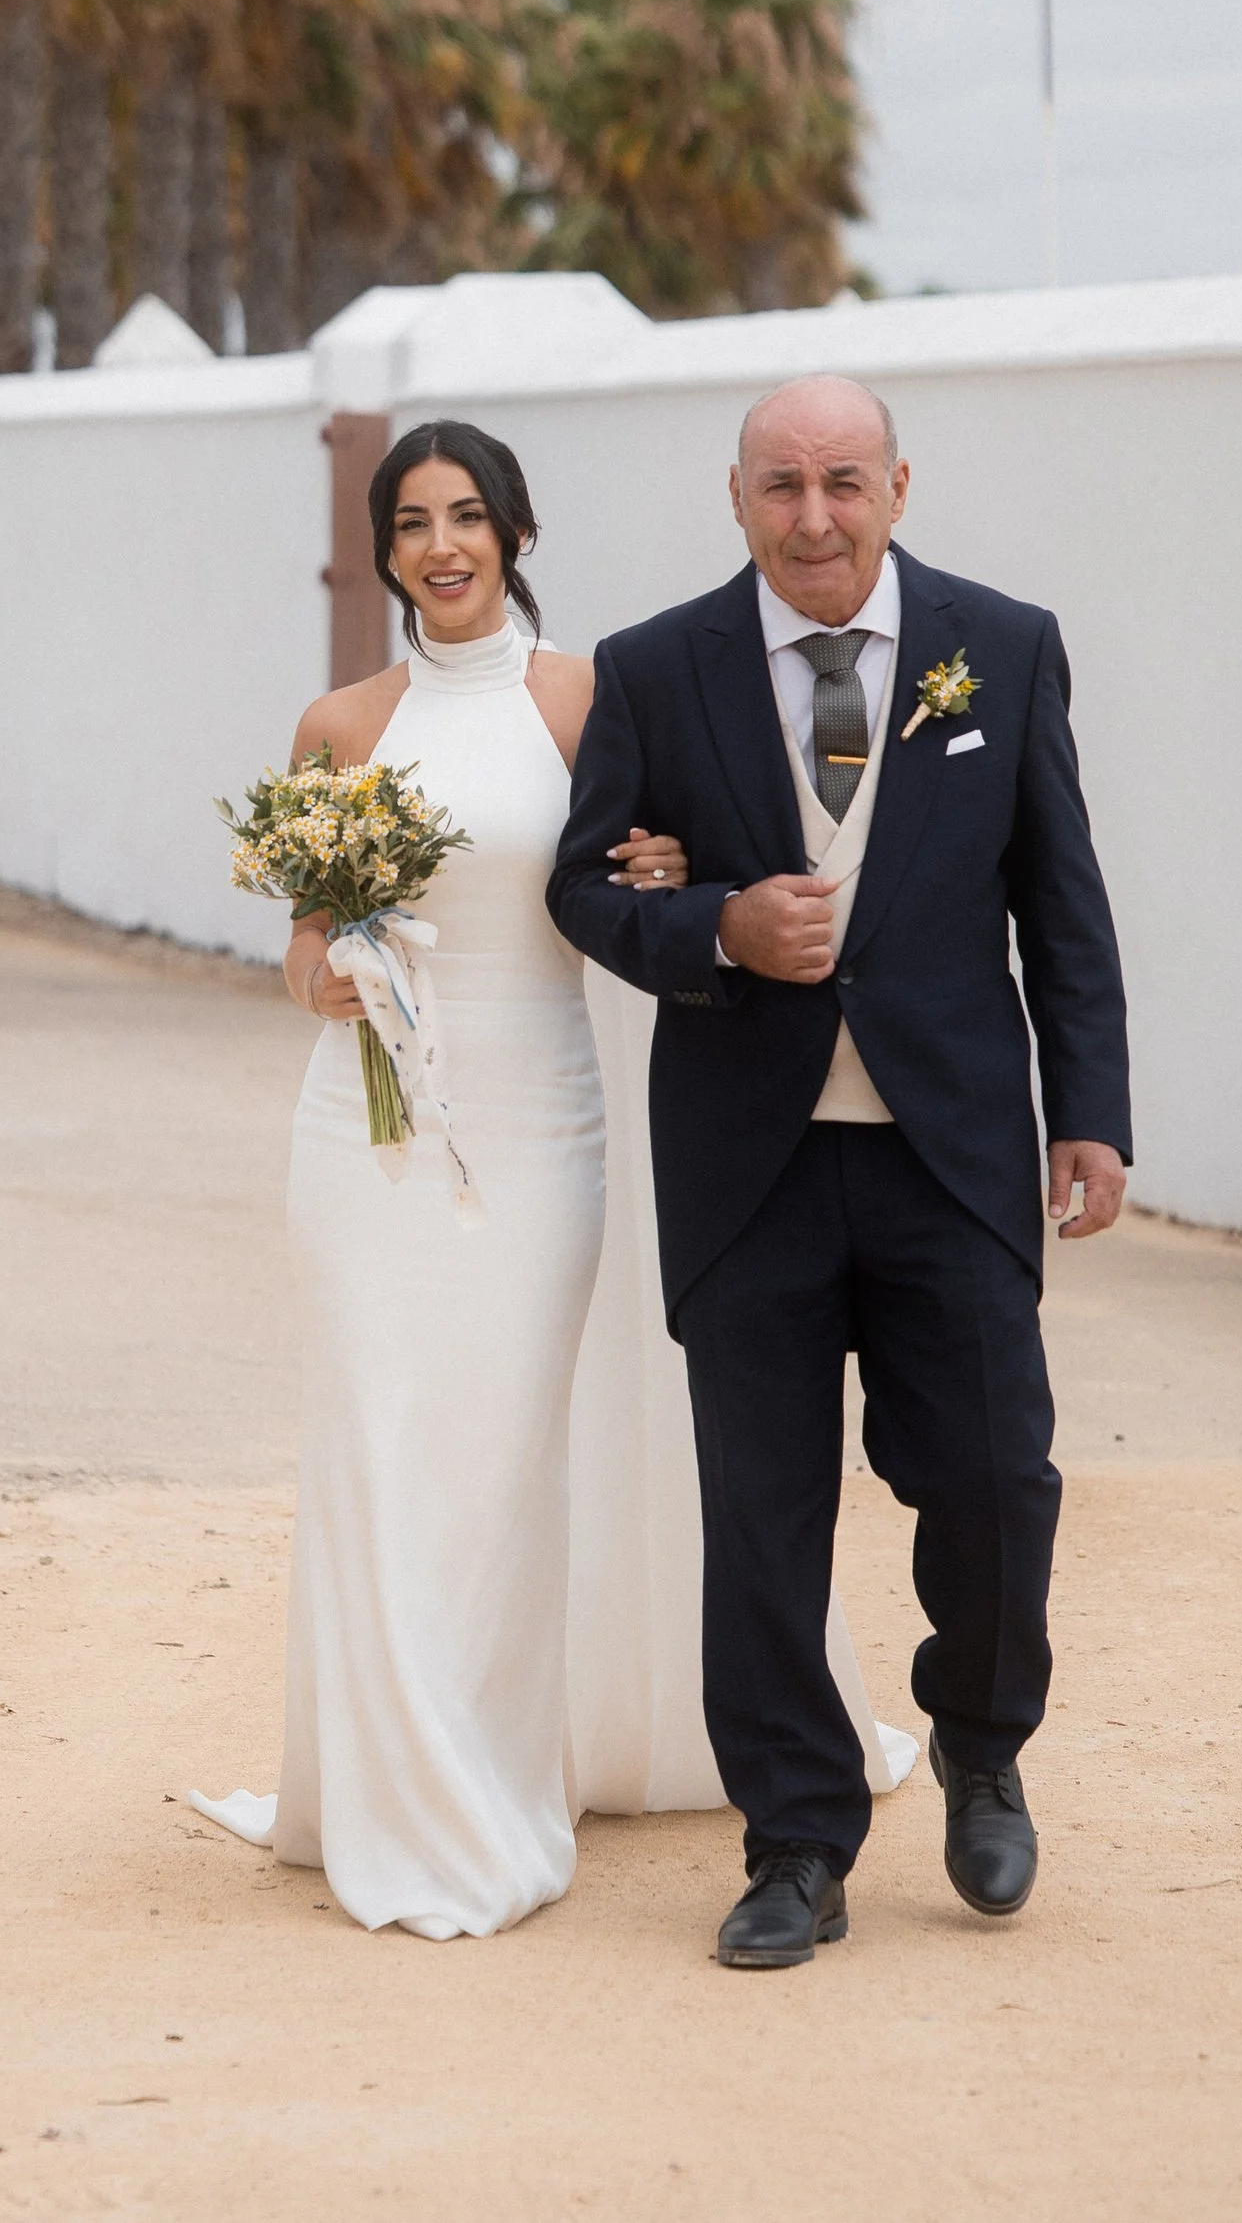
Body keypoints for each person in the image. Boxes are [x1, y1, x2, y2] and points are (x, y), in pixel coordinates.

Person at [195, 417, 914, 1939]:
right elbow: (304, 947)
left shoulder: (591, 696)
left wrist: (667, 882)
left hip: (538, 1129)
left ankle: (496, 1774)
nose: (441, 546)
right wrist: (321, 979)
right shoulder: (339, 721)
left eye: (468, 515)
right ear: (385, 548)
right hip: (364, 1139)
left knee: (505, 1454)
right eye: (411, 522)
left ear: (515, 533)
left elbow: (653, 870)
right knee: (379, 1451)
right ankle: (394, 1793)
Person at [550, 374, 1132, 1969]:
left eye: (845, 480)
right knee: (762, 1517)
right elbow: (586, 888)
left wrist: (1091, 1110)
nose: (816, 514)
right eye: (784, 484)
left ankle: (981, 1739)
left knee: (1002, 1481)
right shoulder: (654, 667)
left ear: (897, 486)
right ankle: (798, 1839)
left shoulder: (1000, 645)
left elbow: (1061, 899)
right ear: (735, 497)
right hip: (752, 1169)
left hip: (951, 1153)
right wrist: (714, 926)